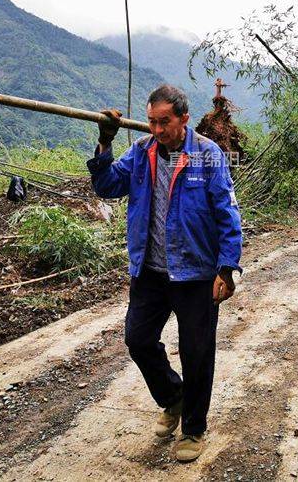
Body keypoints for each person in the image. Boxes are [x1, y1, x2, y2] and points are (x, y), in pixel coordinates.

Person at [87, 84, 243, 463]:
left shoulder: (207, 156)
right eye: (152, 122)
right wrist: (105, 143)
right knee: (138, 339)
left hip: (196, 273)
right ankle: (173, 397)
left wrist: (227, 267)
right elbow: (107, 187)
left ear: (183, 119)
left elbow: (227, 212)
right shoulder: (141, 153)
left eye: (165, 122)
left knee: (196, 351)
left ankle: (193, 428)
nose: (157, 130)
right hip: (151, 272)